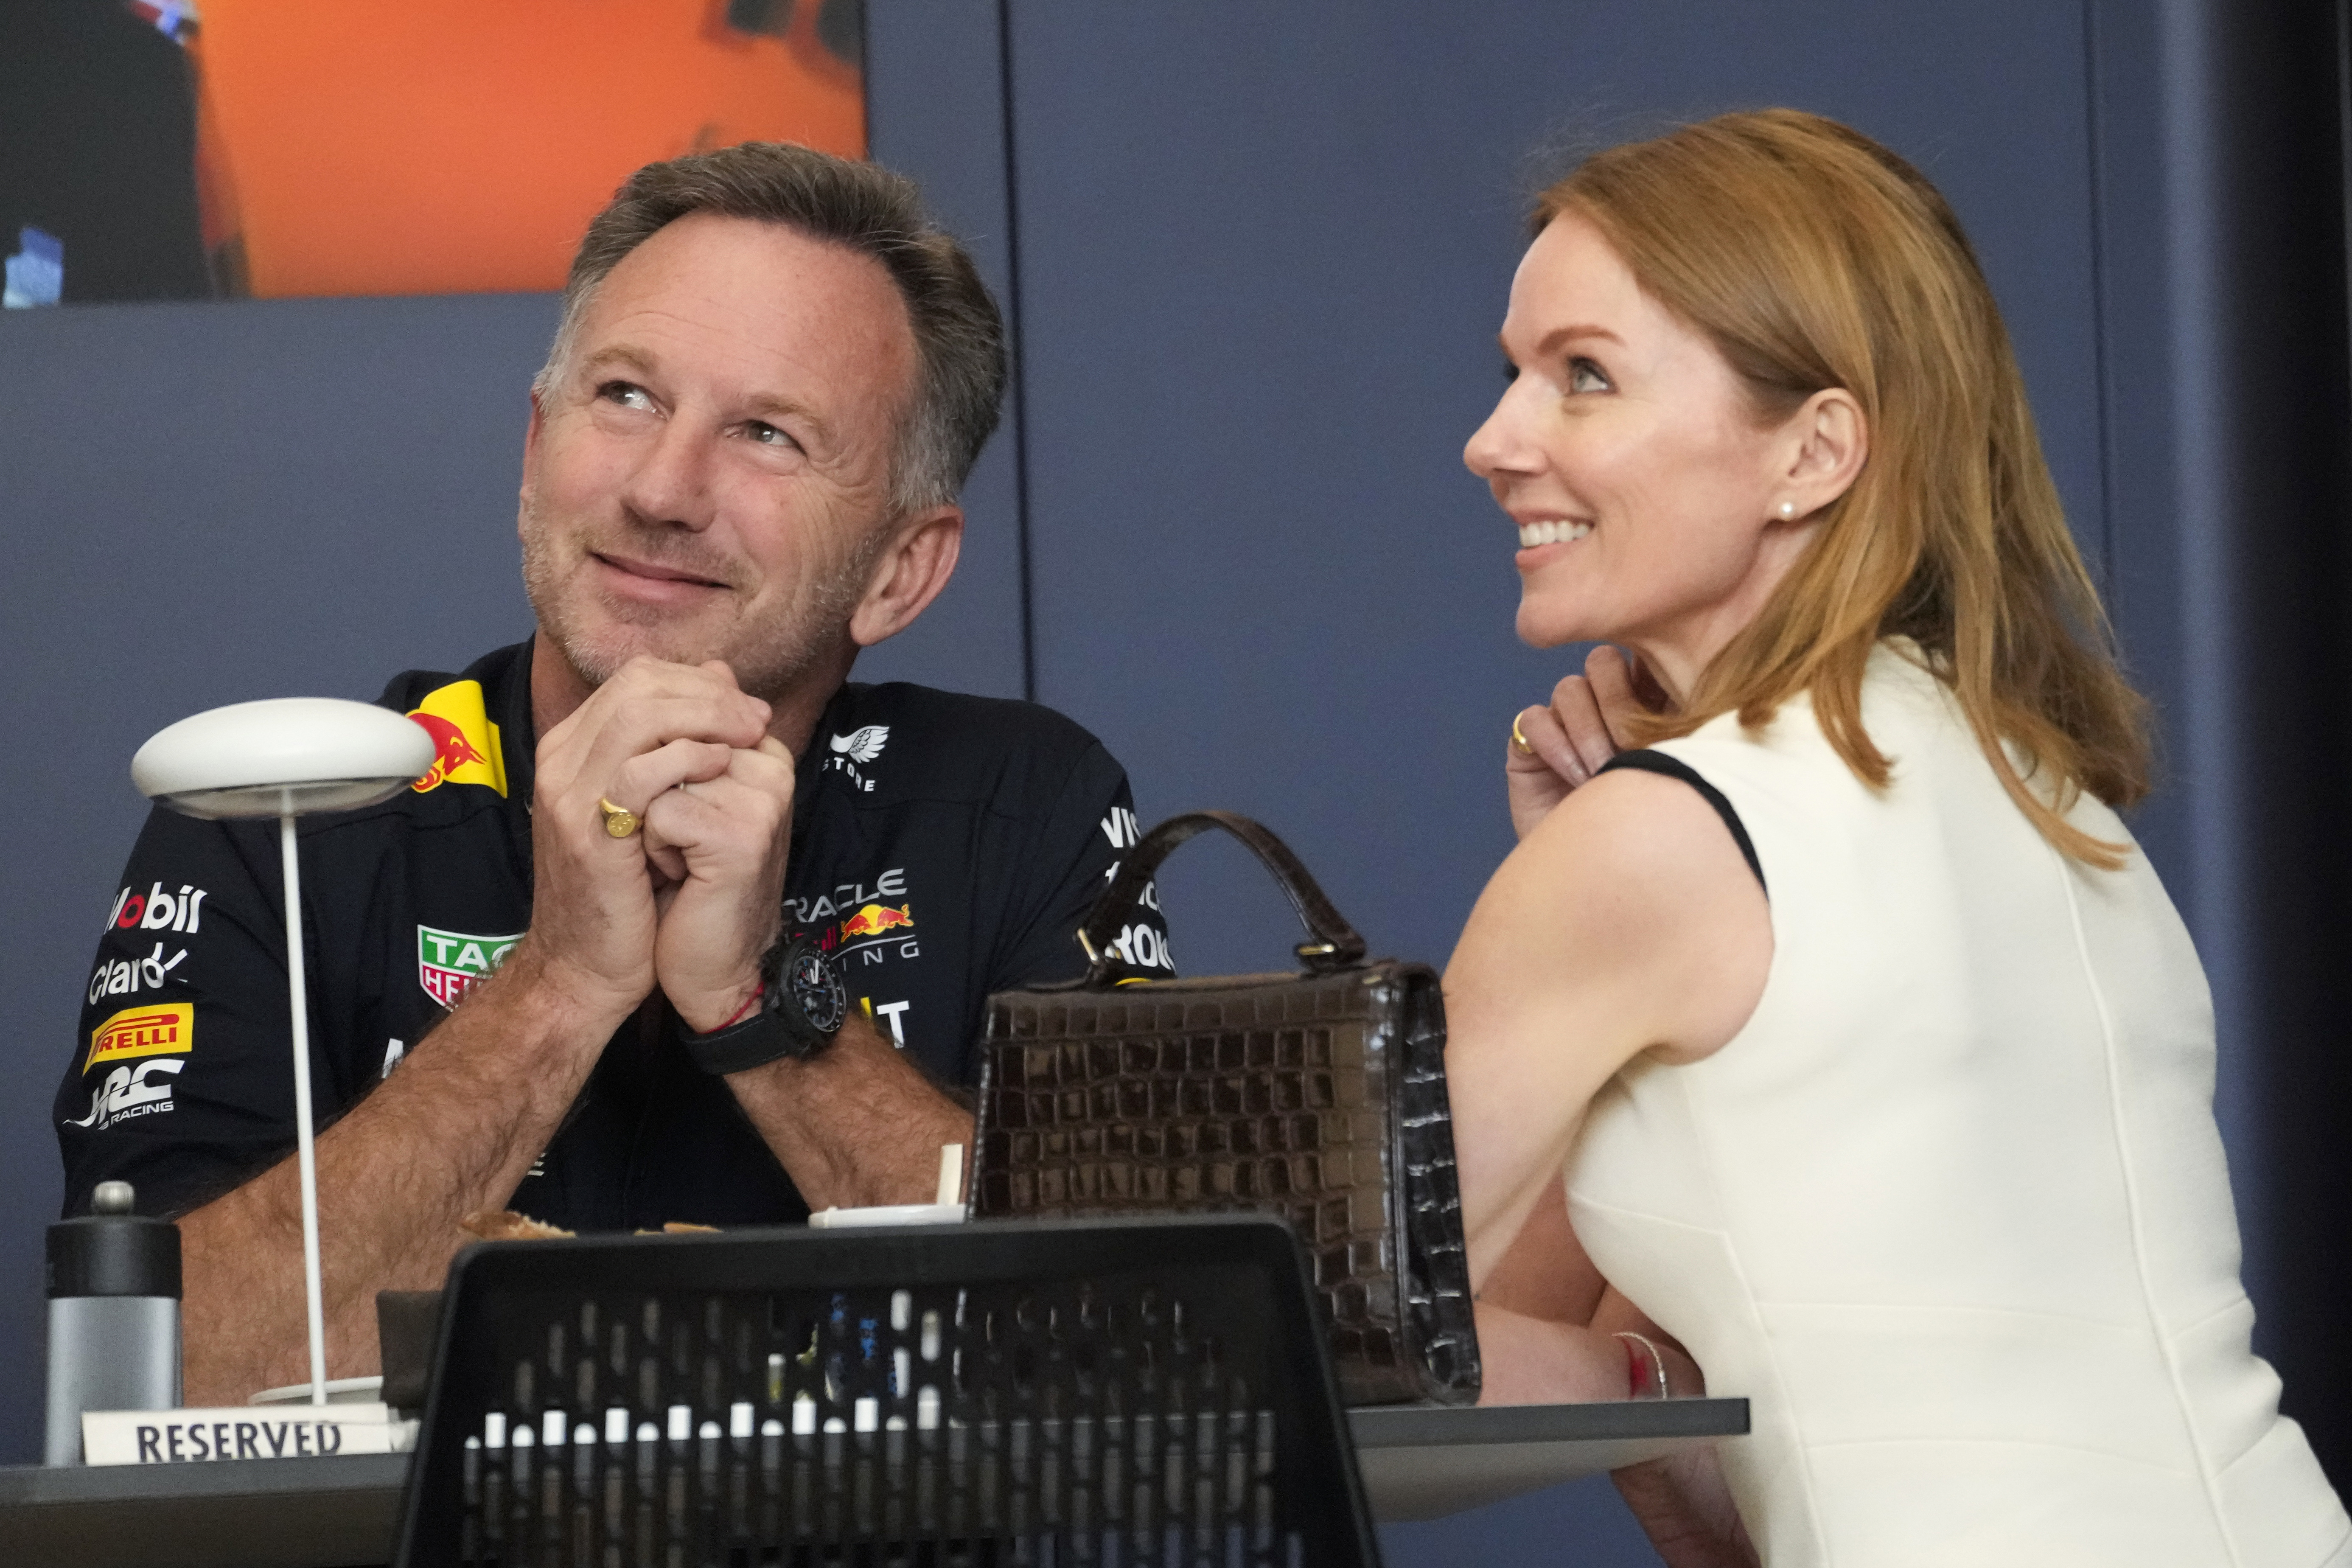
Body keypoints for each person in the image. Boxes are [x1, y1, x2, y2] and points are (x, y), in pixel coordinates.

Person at [57, 143, 1170, 1407]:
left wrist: (765, 1007)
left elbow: (1132, 1357)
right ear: (537, 449)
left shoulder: (1025, 807)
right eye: (628, 397)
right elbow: (161, 1383)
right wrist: (559, 984)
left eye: (766, 433)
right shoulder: (284, 818)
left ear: (899, 571)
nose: (661, 490)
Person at [1444, 110, 2349, 1566]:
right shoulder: (2049, 797)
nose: (1495, 442)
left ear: (1816, 449)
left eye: (1584, 378)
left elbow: (1333, 1336)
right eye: (1514, 377)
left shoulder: (1657, 850)